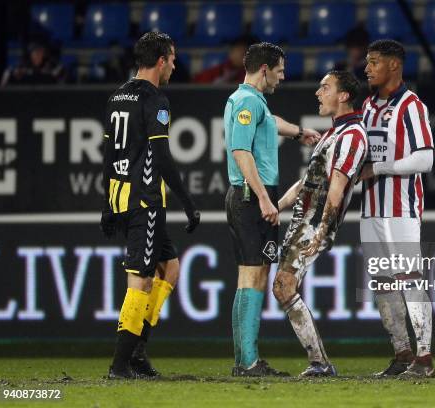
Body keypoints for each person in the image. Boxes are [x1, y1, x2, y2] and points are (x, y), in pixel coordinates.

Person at [100, 31, 201, 379]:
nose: (174, 64)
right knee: (140, 280)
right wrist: (188, 202)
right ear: (160, 61)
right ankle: (119, 365)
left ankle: (138, 351)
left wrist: (107, 204)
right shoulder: (155, 100)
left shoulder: (117, 97)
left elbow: (109, 153)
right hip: (144, 201)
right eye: (172, 58)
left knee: (169, 268)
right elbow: (161, 157)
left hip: (122, 196)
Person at [224, 42, 320, 377]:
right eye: (279, 70)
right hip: (252, 197)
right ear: (264, 69)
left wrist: (298, 133)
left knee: (248, 276)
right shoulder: (248, 102)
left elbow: (269, 121)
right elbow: (241, 152)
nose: (283, 76)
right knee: (255, 276)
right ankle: (248, 362)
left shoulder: (250, 99)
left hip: (247, 195)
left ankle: (243, 359)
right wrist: (265, 198)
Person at [273, 70, 367, 376]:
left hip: (314, 224)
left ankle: (320, 363)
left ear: (344, 95)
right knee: (282, 288)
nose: (318, 93)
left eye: (325, 88)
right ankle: (319, 362)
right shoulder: (331, 134)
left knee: (283, 286)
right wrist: (276, 207)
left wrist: (322, 230)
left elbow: (338, 187)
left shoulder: (353, 135)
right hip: (303, 221)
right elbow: (306, 183)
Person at [358, 39, 435, 378]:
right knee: (383, 282)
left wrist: (379, 168)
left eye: (374, 62)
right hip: (370, 209)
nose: (367, 68)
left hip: (400, 208)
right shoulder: (367, 106)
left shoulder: (411, 106)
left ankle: (425, 357)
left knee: (410, 278)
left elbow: (425, 158)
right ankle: (402, 353)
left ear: (393, 65)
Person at [0, 40, 66, 86]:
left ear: (44, 54)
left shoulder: (51, 64)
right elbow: (10, 72)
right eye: (35, 53)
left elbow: (60, 73)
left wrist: (54, 74)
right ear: (31, 54)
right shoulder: (24, 64)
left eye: (40, 52)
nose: (38, 55)